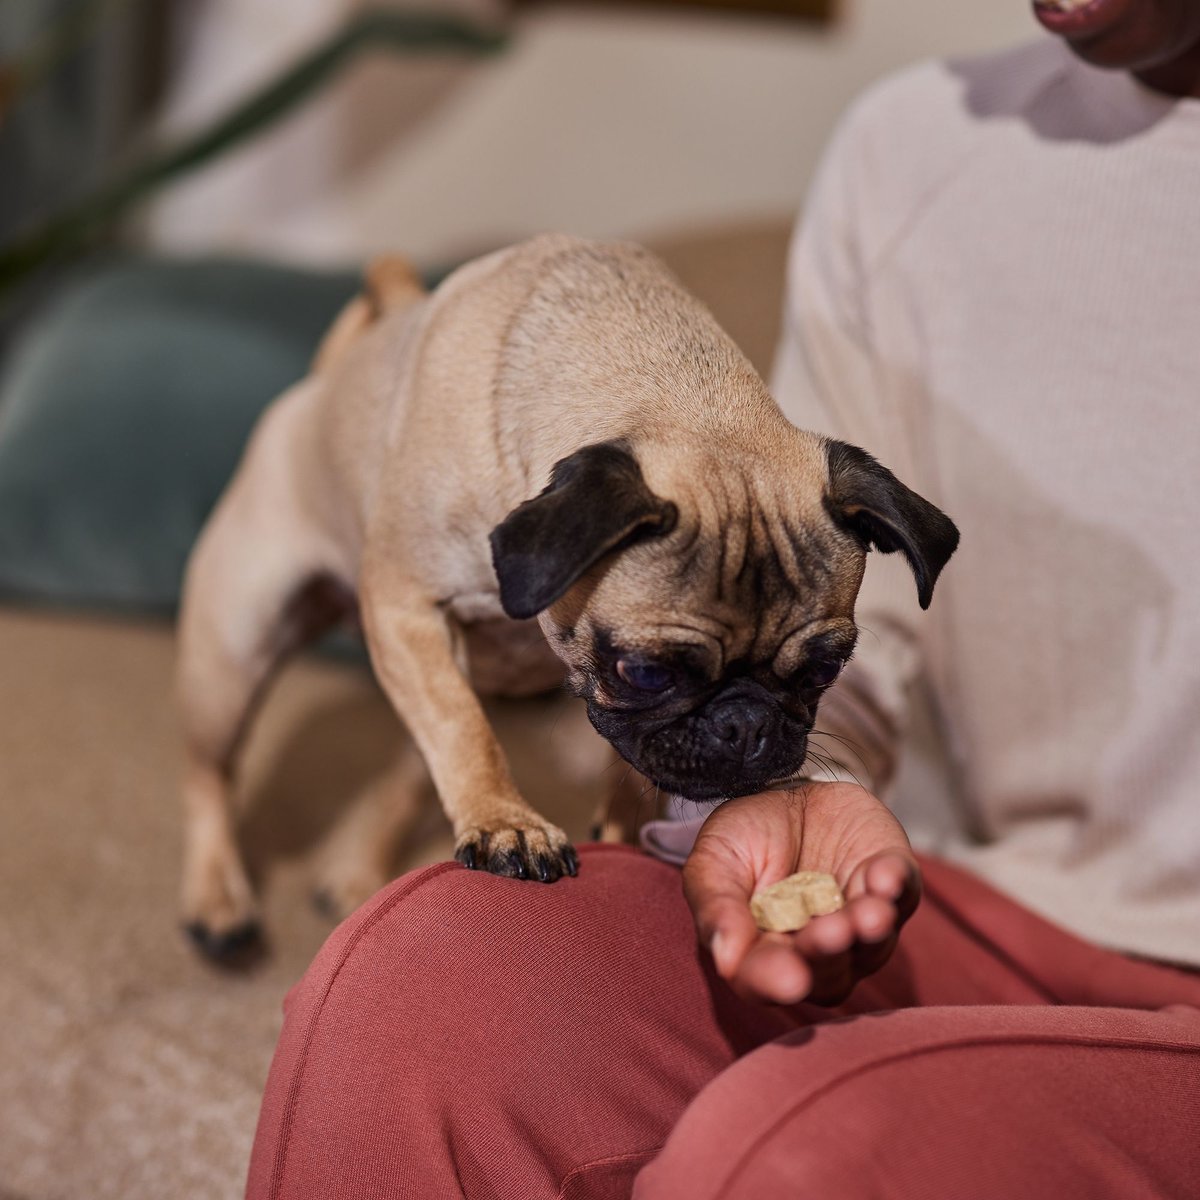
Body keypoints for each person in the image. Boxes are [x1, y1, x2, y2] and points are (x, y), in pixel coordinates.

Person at [245, 2, 1200, 1195]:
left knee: (789, 1151)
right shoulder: (913, 149)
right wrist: (805, 784)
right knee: (412, 995)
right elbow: (831, 617)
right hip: (995, 902)